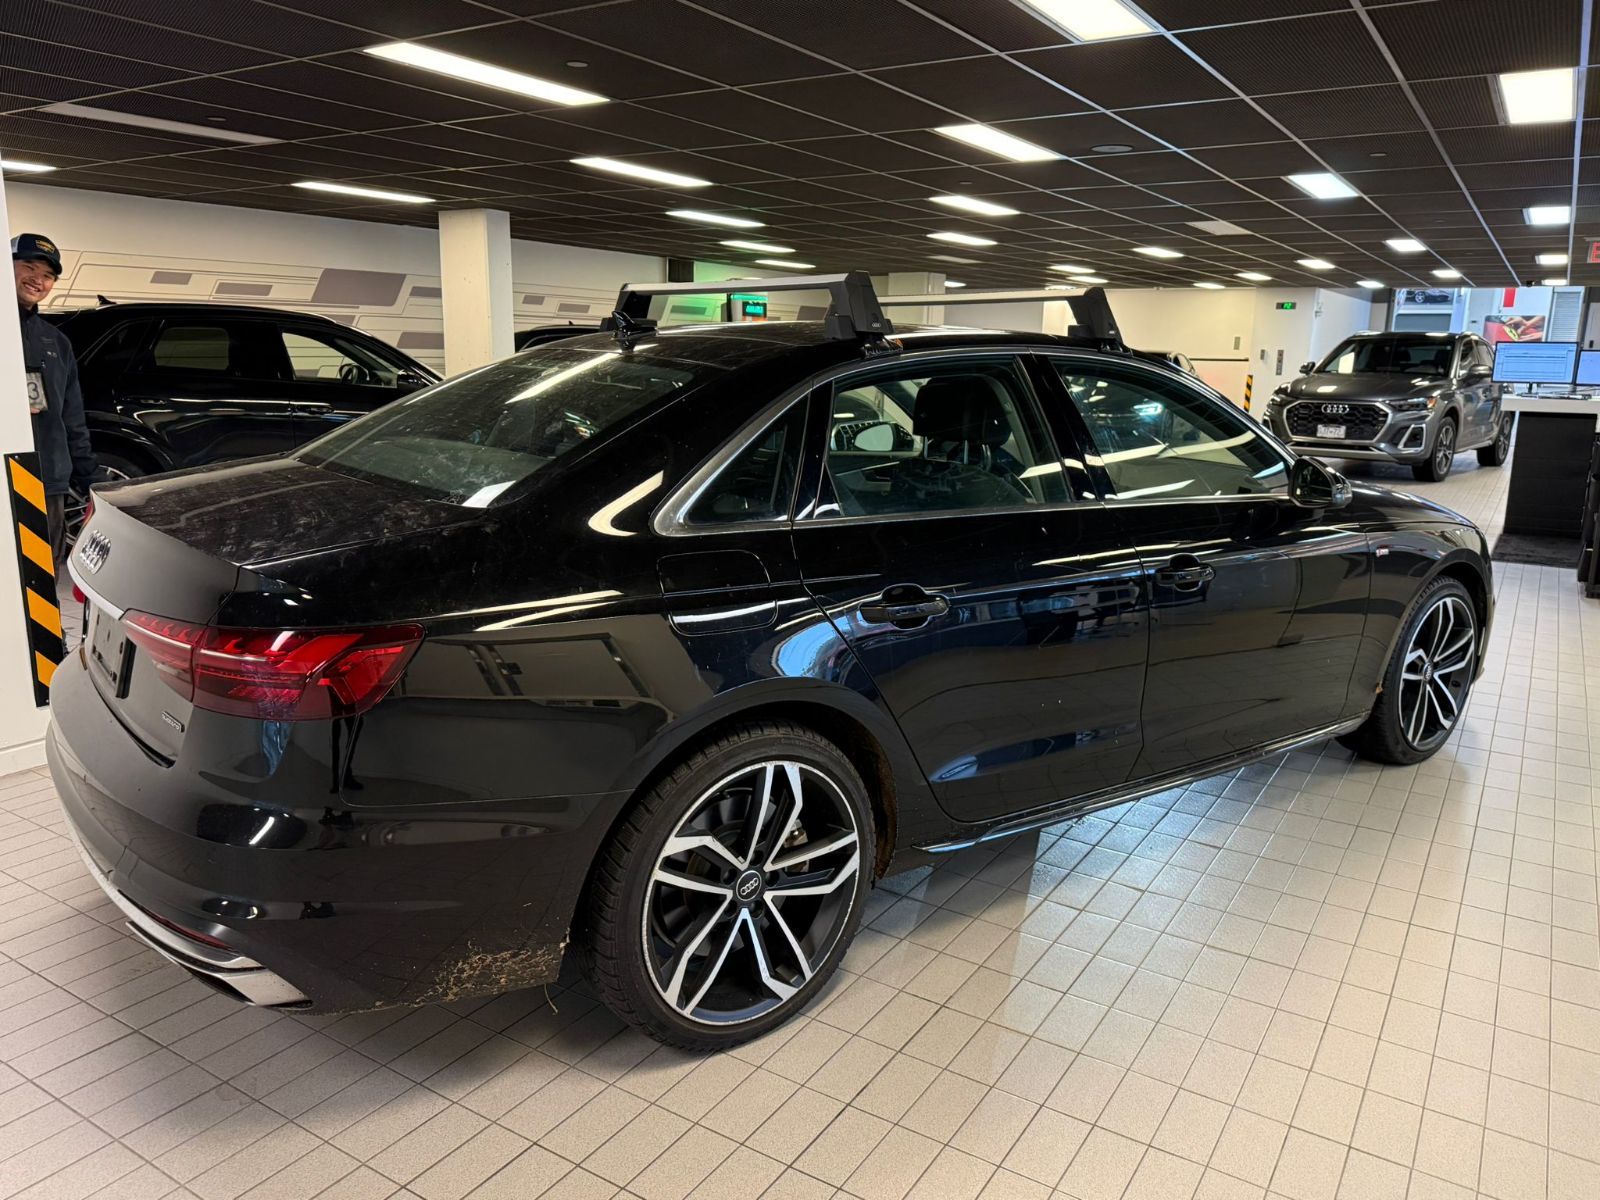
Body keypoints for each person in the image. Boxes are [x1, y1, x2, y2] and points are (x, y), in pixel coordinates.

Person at [13, 233, 96, 559]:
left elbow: (72, 417)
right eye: (29, 267)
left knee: (41, 574)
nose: (38, 280)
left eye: (48, 275)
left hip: (47, 478)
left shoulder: (56, 342)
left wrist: (92, 479)